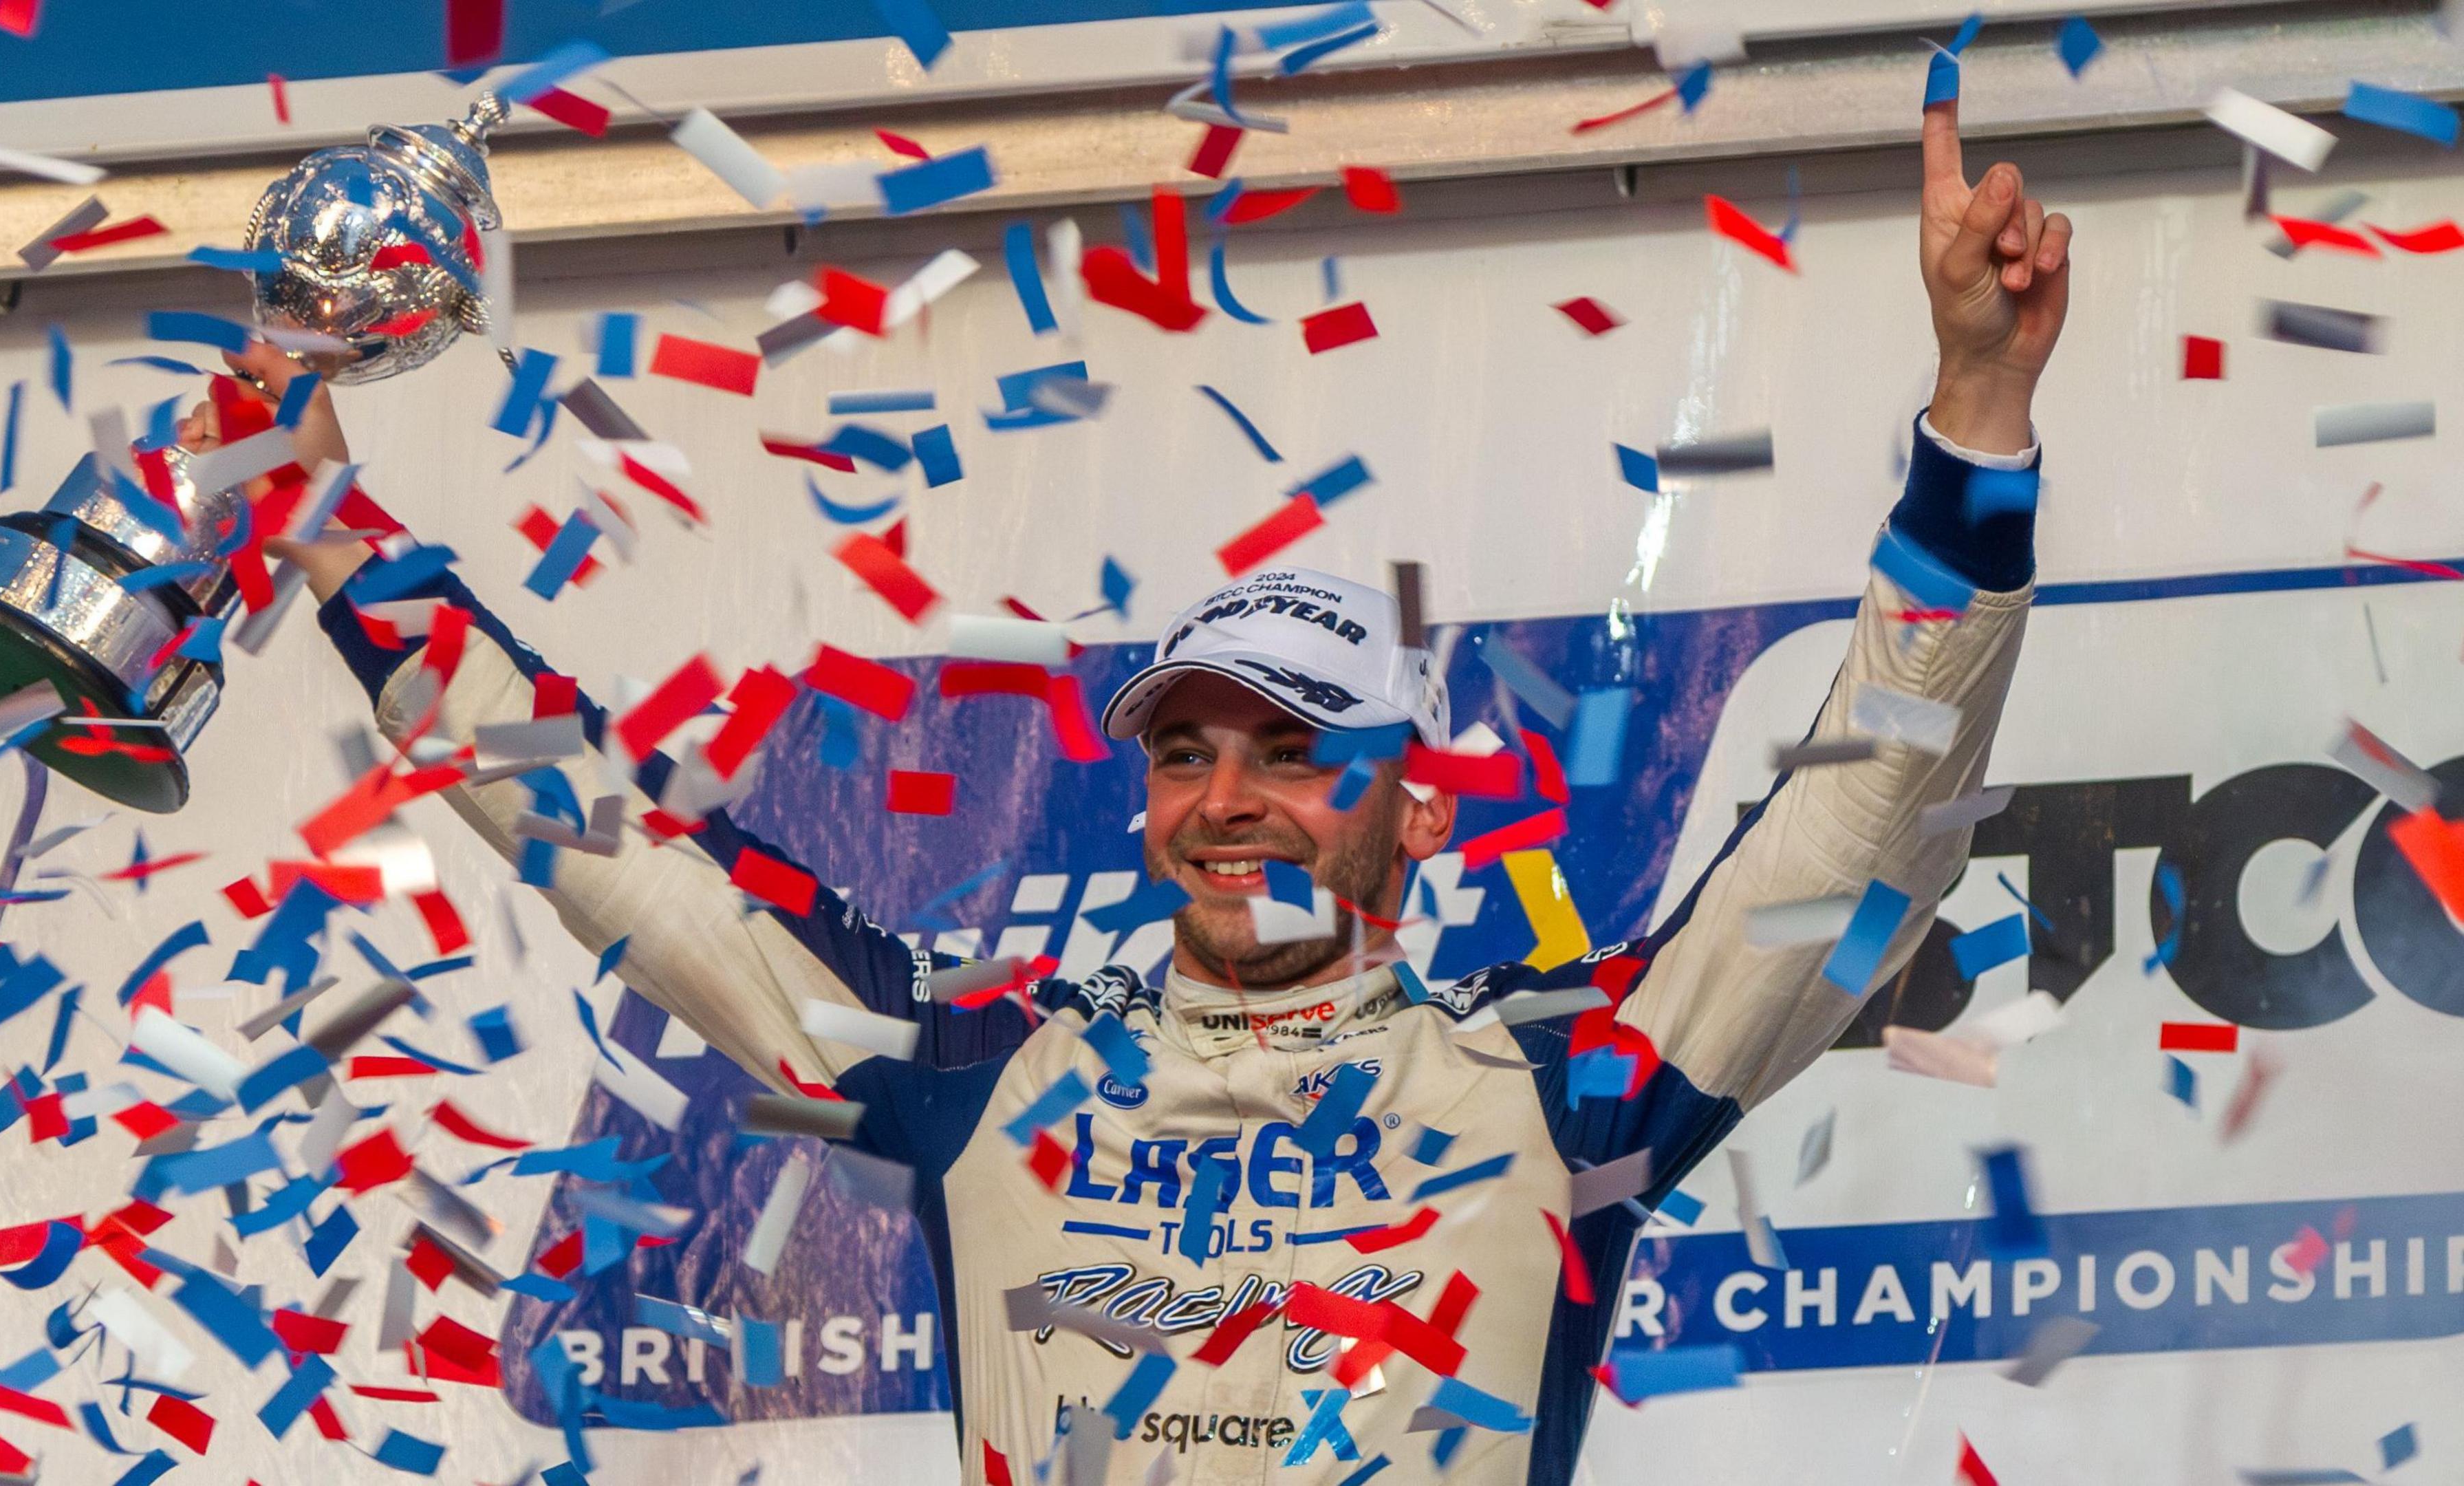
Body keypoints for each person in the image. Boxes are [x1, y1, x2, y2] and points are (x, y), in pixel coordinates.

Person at [209, 96, 2068, 1486]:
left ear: (1419, 813)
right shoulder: (987, 1072)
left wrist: (1976, 418)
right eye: (1186, 753)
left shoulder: (1570, 1087)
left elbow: (1864, 816)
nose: (1228, 797)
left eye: (1292, 750)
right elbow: (626, 857)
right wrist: (322, 522)